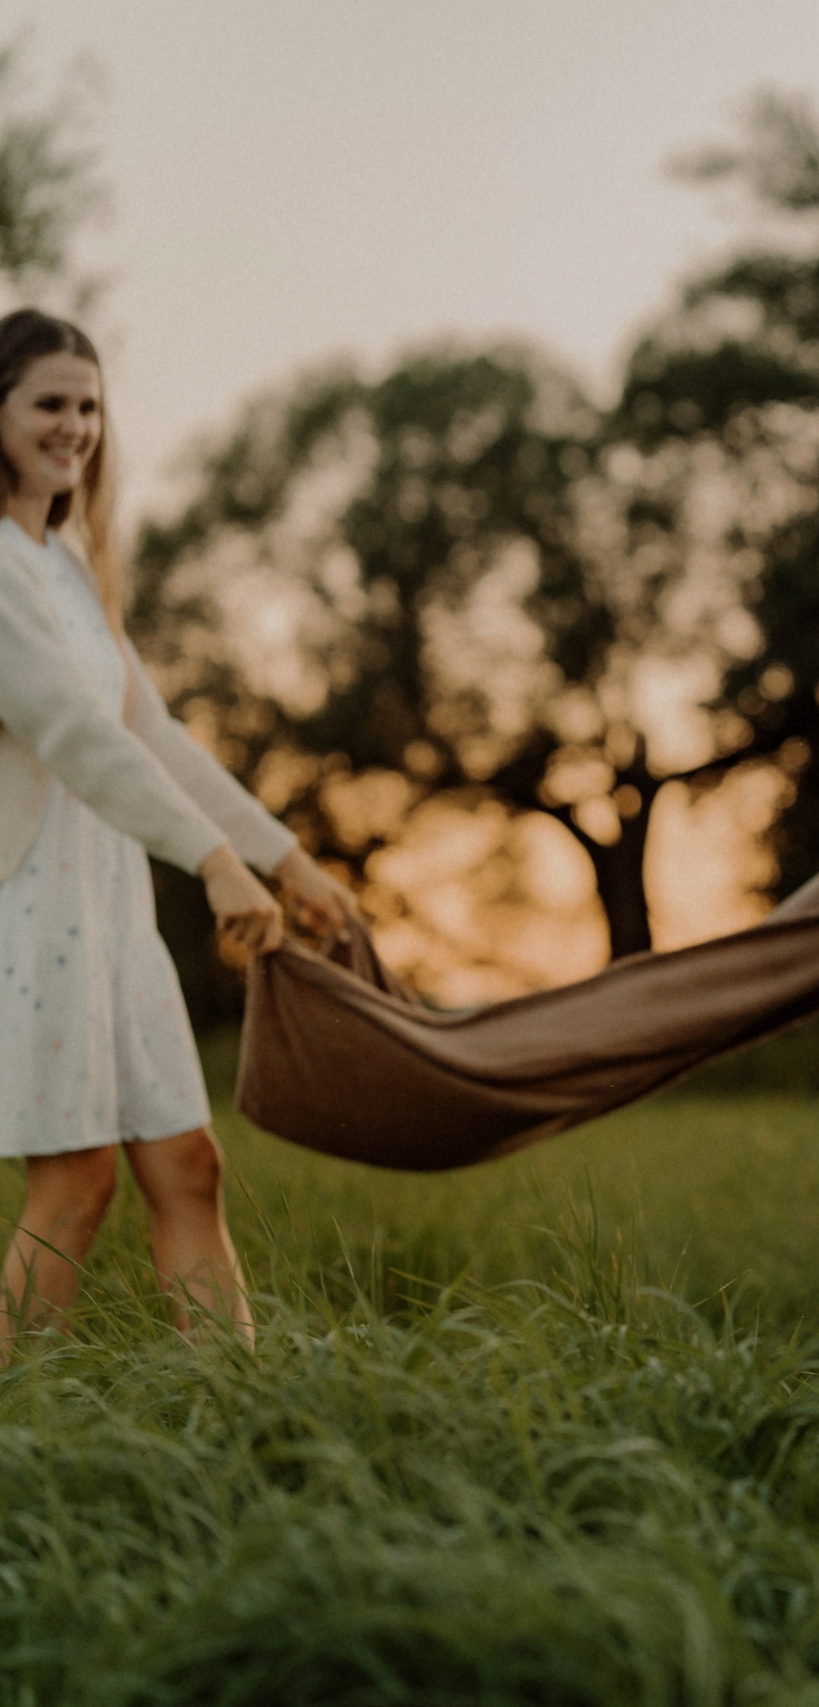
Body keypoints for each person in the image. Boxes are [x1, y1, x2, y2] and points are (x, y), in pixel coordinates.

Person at [0, 308, 357, 1353]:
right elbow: (70, 733)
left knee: (188, 1163)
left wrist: (282, 860)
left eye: (89, 406)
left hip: (110, 896)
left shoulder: (67, 564)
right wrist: (207, 860)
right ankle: (14, 1439)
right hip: (33, 900)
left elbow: (149, 736)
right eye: (49, 403)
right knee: (74, 1181)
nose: (74, 426)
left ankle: (240, 1407)